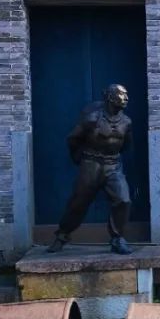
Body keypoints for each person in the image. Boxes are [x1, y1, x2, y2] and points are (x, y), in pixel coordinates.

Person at [48, 84, 134, 255]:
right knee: (78, 203)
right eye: (121, 94)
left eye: (126, 94)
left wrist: (112, 156)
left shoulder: (127, 122)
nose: (126, 98)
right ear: (110, 97)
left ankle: (117, 238)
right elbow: (73, 139)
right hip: (91, 164)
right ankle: (62, 235)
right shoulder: (92, 119)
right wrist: (79, 158)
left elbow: (126, 145)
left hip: (113, 165)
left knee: (123, 200)